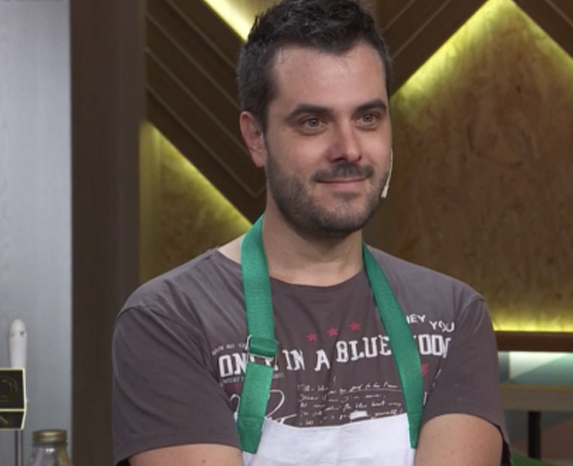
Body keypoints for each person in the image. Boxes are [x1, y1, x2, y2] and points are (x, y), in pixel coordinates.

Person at [111, 0, 511, 465]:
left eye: (367, 117)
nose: (348, 148)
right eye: (313, 122)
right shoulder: (171, 320)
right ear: (256, 137)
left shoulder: (453, 317)